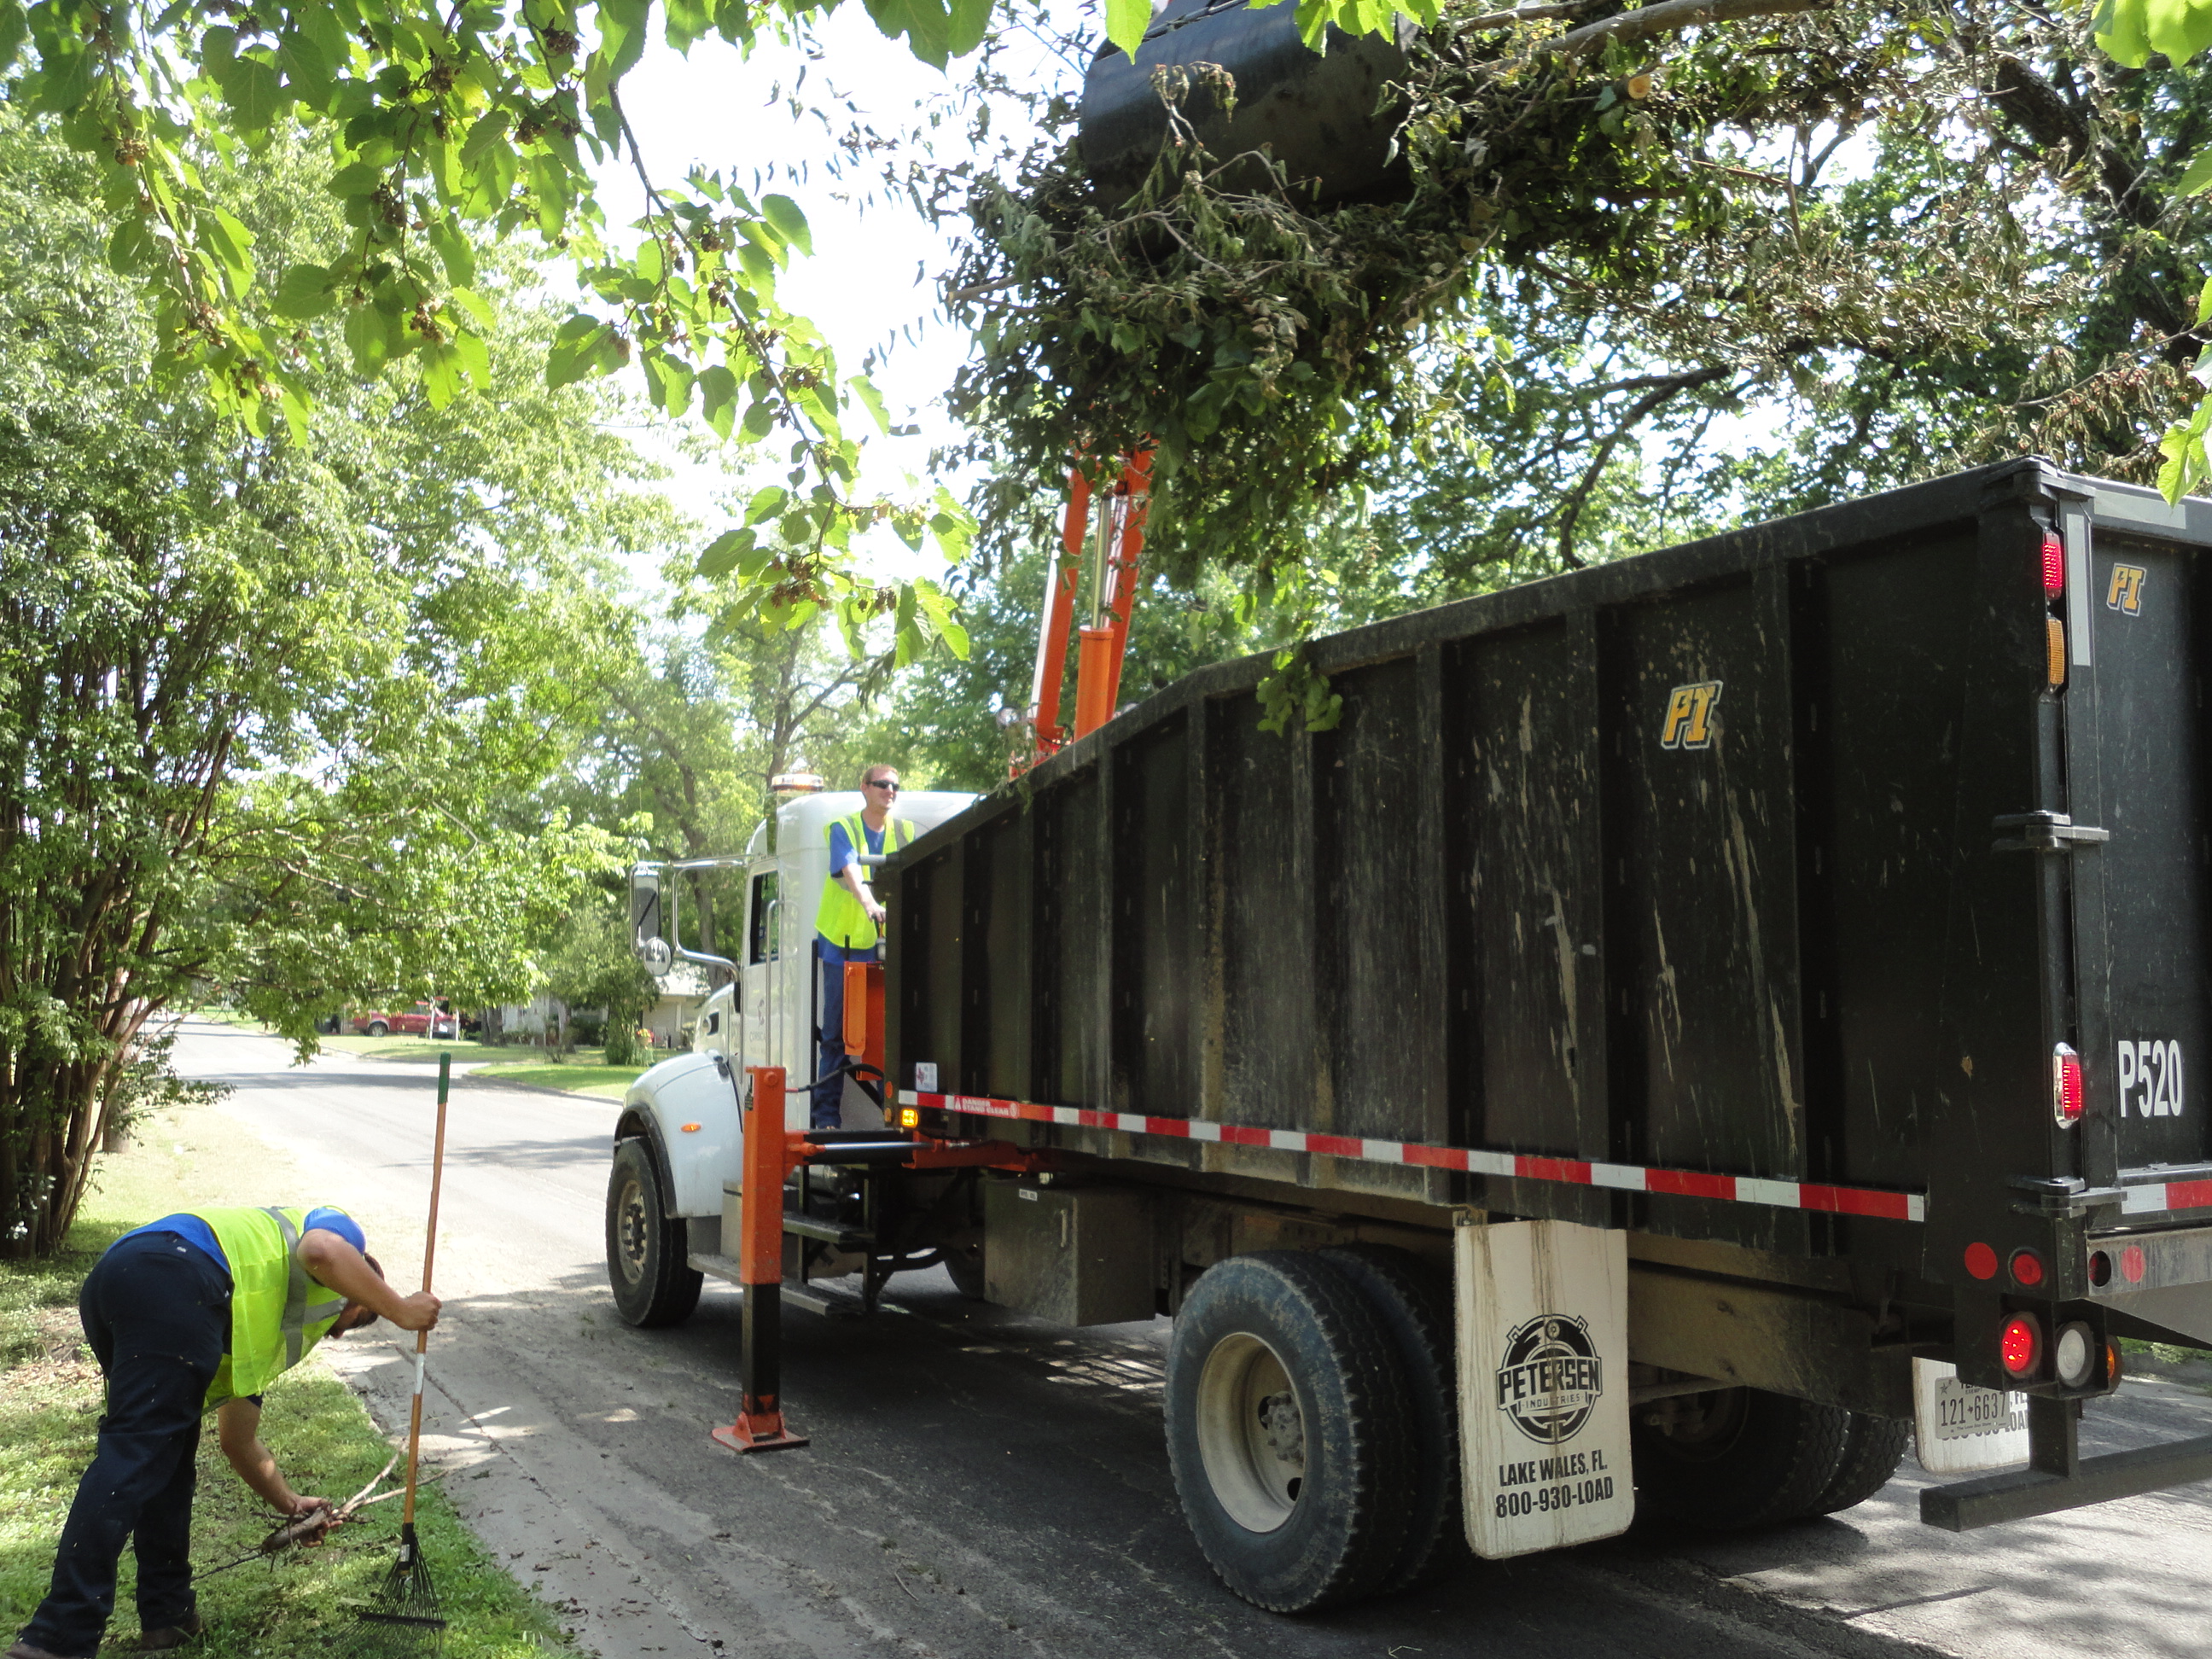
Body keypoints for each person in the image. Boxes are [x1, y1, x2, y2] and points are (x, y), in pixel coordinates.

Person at [9, 1206, 440, 1659]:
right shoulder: (337, 1234)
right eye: (347, 1322)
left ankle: (168, 1616)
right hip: (179, 1273)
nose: (331, 1337)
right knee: (136, 1453)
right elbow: (321, 1251)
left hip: (121, 1278)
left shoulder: (261, 1323)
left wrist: (291, 1504)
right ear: (357, 1294)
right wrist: (400, 1309)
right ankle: (56, 1637)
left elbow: (239, 1441)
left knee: (167, 1458)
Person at [811, 765, 914, 1129]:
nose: (890, 791)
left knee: (892, 1036)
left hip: (883, 950)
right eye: (883, 784)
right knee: (837, 1036)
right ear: (865, 788)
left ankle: (895, 1118)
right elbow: (851, 870)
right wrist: (870, 903)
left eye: (896, 786)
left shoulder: (904, 832)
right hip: (842, 945)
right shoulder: (845, 828)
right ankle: (825, 1119)